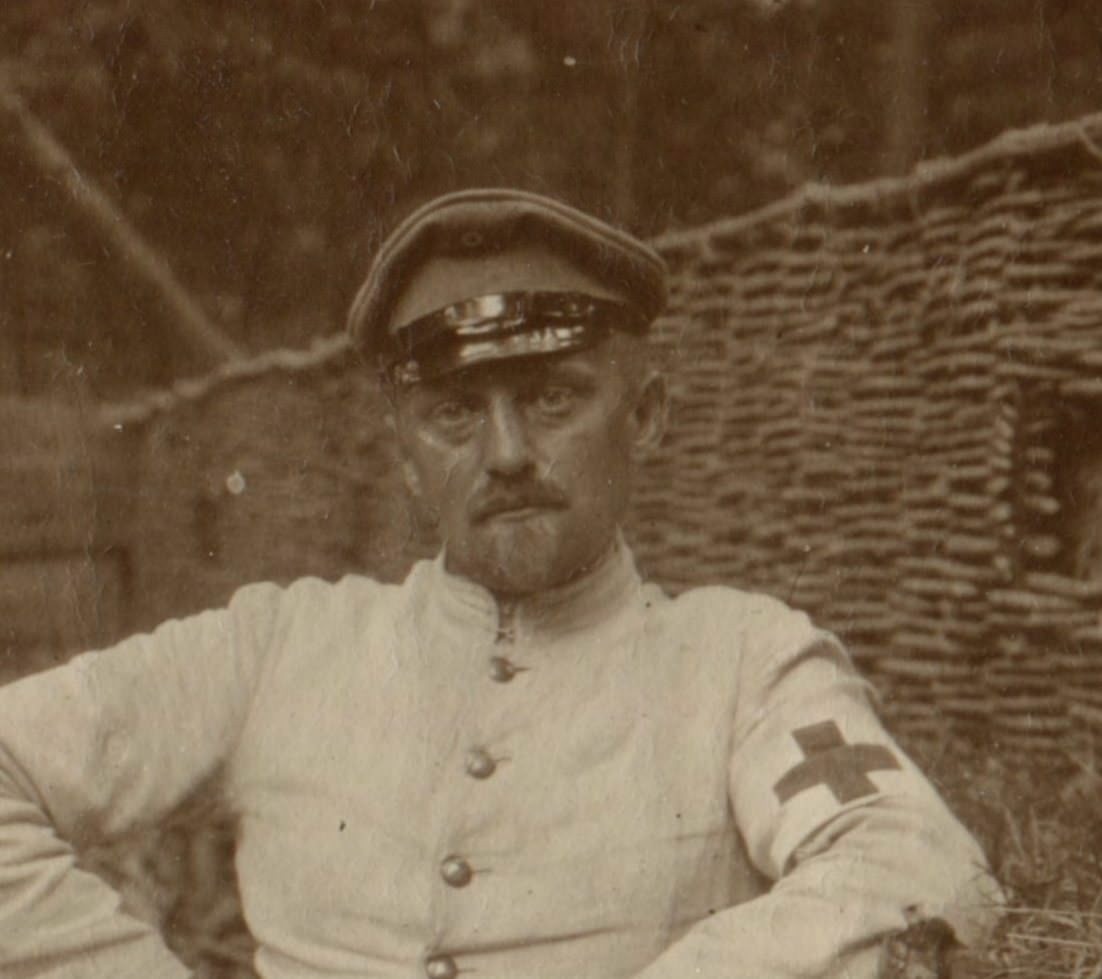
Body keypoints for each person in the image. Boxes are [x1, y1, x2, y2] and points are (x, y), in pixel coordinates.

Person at [0, 188, 998, 979]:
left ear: (645, 415)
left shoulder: (742, 662)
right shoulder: (277, 650)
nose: (507, 452)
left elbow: (909, 860)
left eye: (553, 398)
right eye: (453, 414)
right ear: (405, 459)